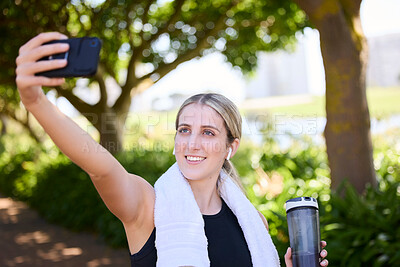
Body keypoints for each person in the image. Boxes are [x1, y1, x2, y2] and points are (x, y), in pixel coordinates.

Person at [15, 32, 328, 267]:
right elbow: (100, 165)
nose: (192, 143)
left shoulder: (252, 222)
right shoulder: (147, 208)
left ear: (231, 147)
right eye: (184, 130)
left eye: (208, 132)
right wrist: (35, 101)